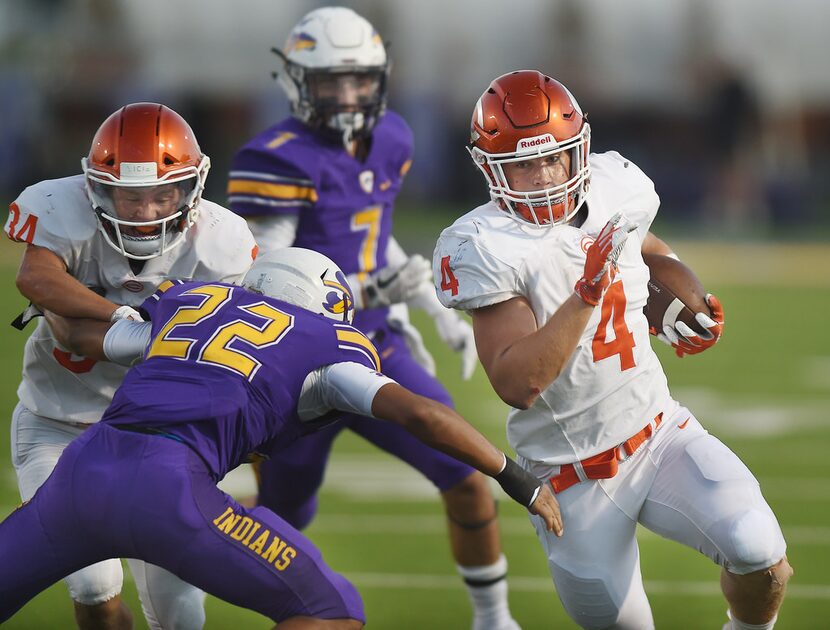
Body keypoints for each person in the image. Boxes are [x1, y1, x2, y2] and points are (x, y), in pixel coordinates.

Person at [0, 247, 562, 629]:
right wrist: (517, 479)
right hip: (169, 487)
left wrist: (47, 301)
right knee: (331, 608)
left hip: (79, 471)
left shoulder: (190, 306)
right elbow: (422, 416)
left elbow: (81, 334)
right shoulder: (325, 341)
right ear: (325, 303)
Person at [433, 70, 792, 630]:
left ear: (580, 150)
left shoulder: (615, 185)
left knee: (760, 552)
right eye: (524, 164)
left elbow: (645, 249)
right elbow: (516, 383)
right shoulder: (485, 245)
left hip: (658, 432)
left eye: (555, 157)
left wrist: (677, 304)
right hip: (571, 479)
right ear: (490, 168)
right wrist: (587, 295)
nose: (545, 175)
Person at [227, 8, 520, 629]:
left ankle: (494, 620)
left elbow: (374, 236)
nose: (349, 95)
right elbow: (267, 277)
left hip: (376, 343)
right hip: (295, 358)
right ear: (296, 81)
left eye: (360, 80)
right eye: (332, 81)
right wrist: (371, 287)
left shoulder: (393, 137)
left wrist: (427, 302)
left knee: (466, 475)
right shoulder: (274, 157)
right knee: (281, 518)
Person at [4, 102, 257, 629]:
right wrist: (129, 315)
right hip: (60, 425)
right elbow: (38, 285)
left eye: (161, 194)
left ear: (191, 188)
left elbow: (241, 364)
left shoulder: (222, 244)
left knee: (182, 611)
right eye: (128, 195)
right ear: (94, 188)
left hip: (162, 437)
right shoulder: (60, 210)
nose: (144, 212)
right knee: (95, 586)